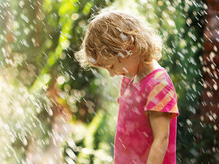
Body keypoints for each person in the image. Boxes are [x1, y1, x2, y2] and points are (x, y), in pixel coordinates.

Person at [75, 9, 179, 164]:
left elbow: (161, 140)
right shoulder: (129, 81)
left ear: (130, 49)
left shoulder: (158, 85)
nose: (111, 74)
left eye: (111, 66)